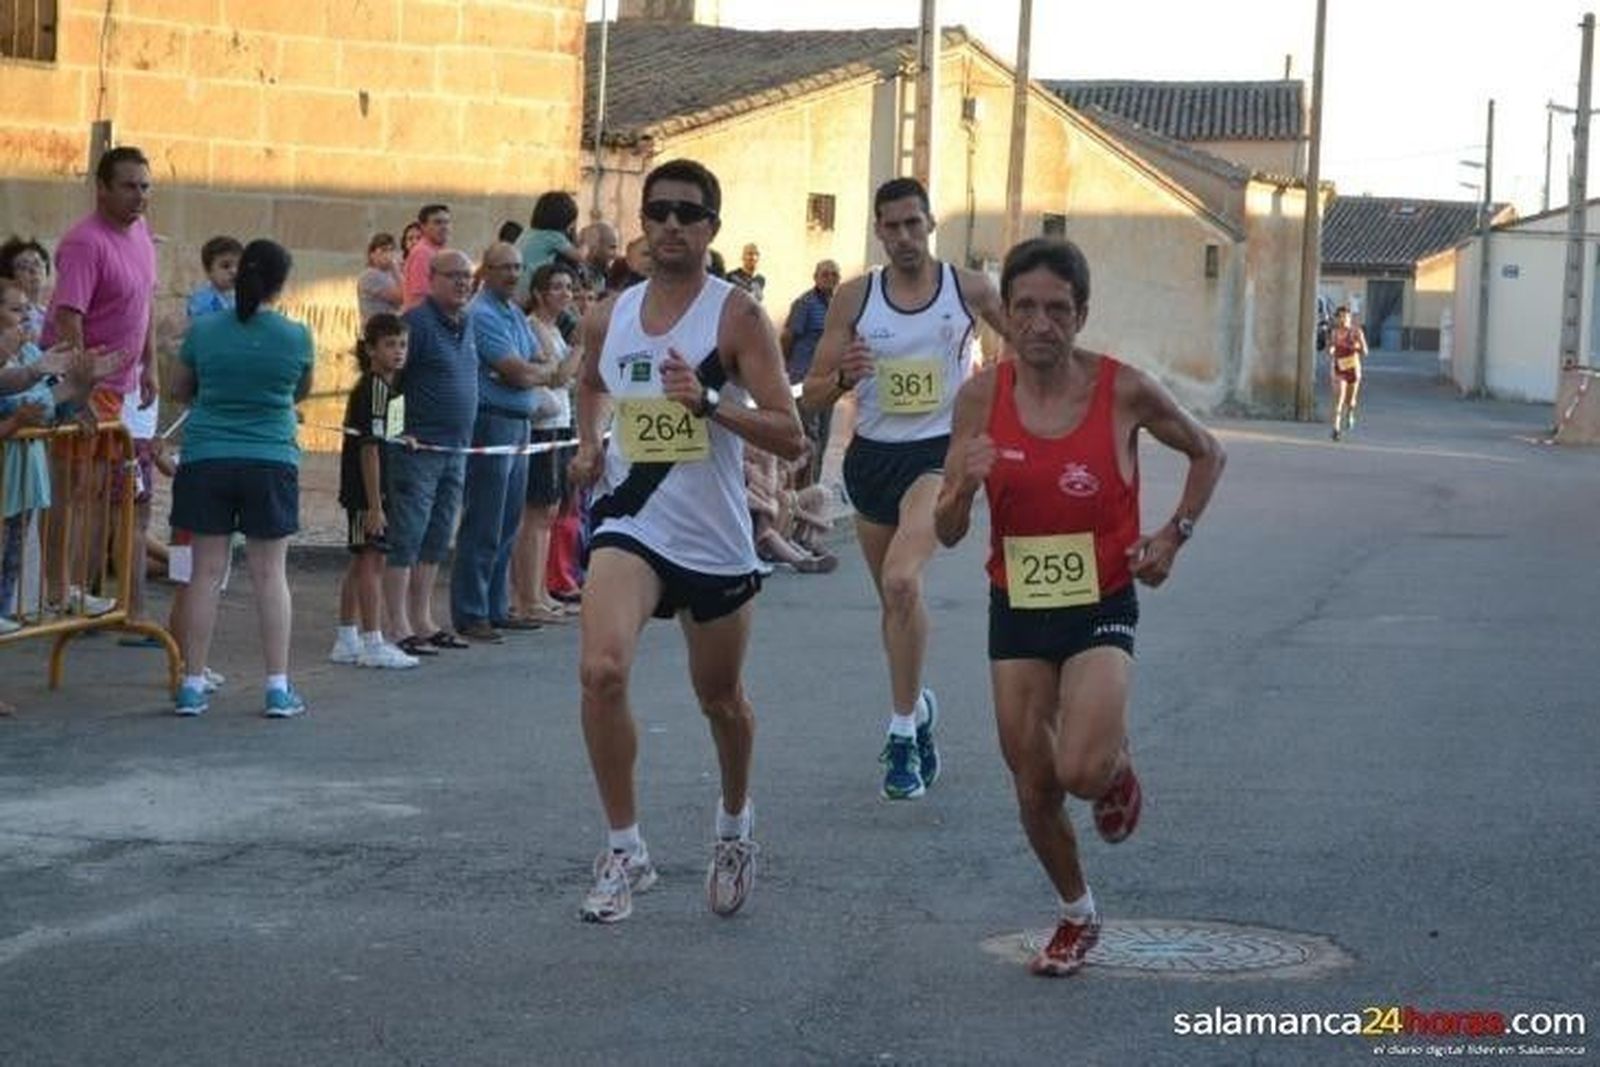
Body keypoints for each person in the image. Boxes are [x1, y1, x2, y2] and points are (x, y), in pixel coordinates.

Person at [934, 237, 1225, 976]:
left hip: (1102, 599)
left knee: (1083, 770)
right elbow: (945, 528)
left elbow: (1207, 451)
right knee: (1032, 783)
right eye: (1024, 307)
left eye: (1057, 309)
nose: (1039, 323)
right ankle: (1076, 911)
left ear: (1082, 315)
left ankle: (1114, 767)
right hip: (1018, 603)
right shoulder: (979, 397)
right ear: (1006, 314)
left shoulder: (1122, 389)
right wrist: (962, 486)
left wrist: (1173, 535)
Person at [569, 158, 804, 924]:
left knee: (721, 699)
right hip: (632, 521)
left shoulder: (736, 318)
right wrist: (588, 441)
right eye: (659, 210)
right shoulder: (612, 312)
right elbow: (590, 380)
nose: (671, 223)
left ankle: (735, 823)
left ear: (711, 227)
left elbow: (791, 434)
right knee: (602, 670)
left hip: (712, 536)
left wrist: (709, 403)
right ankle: (623, 846)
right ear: (643, 221)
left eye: (688, 213)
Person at [800, 175, 1006, 801]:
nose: (905, 237)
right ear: (878, 230)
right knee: (896, 605)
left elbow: (1029, 351)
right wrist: (842, 376)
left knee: (900, 580)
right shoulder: (855, 298)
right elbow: (810, 392)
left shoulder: (968, 289)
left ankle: (899, 735)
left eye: (914, 223)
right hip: (871, 461)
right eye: (892, 226)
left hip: (935, 459)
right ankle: (917, 708)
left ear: (930, 223)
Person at [168, 239, 315, 718]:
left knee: (205, 574)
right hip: (270, 456)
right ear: (280, 282)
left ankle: (192, 682)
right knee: (270, 575)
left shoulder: (205, 330)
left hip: (208, 453)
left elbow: (181, 389)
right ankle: (277, 685)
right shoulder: (296, 336)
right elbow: (301, 390)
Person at [42, 145, 160, 624]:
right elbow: (70, 319)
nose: (139, 197)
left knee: (102, 492)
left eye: (145, 186)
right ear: (103, 189)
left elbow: (144, 302)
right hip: (87, 382)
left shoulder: (142, 233)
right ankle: (57, 589)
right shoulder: (85, 242)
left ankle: (80, 586)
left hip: (125, 382)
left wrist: (150, 364)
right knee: (71, 491)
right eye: (129, 186)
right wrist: (81, 392)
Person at [448, 242, 545, 642]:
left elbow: (534, 361)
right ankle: (471, 611)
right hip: (493, 423)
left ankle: (495, 605)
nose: (512, 274)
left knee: (508, 521)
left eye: (518, 267)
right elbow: (518, 371)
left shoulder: (514, 313)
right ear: (484, 271)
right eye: (504, 267)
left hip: (519, 422)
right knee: (484, 520)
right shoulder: (483, 313)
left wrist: (530, 372)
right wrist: (529, 373)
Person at [384, 249, 478, 658]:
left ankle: (423, 619)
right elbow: (392, 380)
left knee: (438, 536)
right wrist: (395, 431)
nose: (462, 283)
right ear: (433, 277)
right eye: (453, 275)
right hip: (418, 450)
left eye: (467, 276)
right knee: (408, 534)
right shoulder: (416, 324)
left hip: (456, 448)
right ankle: (397, 623)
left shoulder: (466, 321)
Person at [330, 313, 418, 670]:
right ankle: (372, 639)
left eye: (402, 345)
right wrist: (373, 504)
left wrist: (402, 439)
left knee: (361, 560)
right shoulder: (373, 388)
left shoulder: (390, 387)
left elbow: (384, 436)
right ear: (370, 349)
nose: (398, 352)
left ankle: (347, 636)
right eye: (390, 345)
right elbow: (368, 447)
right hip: (367, 490)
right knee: (371, 560)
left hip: (380, 486)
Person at [511, 261, 581, 625]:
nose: (565, 294)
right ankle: (528, 596)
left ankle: (540, 591)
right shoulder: (534, 327)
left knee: (551, 511)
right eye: (556, 287)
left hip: (560, 422)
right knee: (536, 513)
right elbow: (558, 376)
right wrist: (582, 346)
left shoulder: (555, 330)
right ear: (539, 293)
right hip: (541, 427)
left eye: (568, 287)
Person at [781, 259, 840, 487]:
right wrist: (785, 369)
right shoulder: (804, 303)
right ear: (815, 277)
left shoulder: (837, 305)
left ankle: (813, 485)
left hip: (831, 382)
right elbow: (787, 337)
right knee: (809, 436)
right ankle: (801, 487)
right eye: (825, 274)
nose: (830, 278)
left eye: (834, 274)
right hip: (804, 380)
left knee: (824, 436)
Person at [514, 191, 584, 307]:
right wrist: (586, 244)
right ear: (565, 221)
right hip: (529, 294)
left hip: (515, 292)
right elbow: (579, 256)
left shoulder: (528, 232)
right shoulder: (553, 236)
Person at [1328, 305, 1368, 440]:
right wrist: (1332, 349)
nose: (1343, 319)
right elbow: (1332, 345)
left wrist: (1357, 347)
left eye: (1345, 316)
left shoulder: (1357, 332)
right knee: (1339, 398)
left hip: (1353, 369)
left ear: (1350, 318)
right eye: (1340, 317)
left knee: (1350, 401)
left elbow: (1365, 351)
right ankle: (1336, 428)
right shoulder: (1334, 332)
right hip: (1339, 369)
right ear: (1337, 318)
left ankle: (1350, 413)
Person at [0, 237, 52, 341]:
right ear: (10, 276)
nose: (33, 270)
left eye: (38, 263)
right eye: (23, 266)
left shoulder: (49, 311)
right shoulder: (10, 315)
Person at [401, 204, 451, 312]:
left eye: (447, 222)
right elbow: (421, 298)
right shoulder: (422, 253)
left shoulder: (438, 251)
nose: (444, 227)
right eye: (438, 222)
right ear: (423, 227)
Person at [185, 236, 241, 320]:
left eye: (239, 266)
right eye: (226, 266)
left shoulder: (242, 295)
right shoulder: (201, 300)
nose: (234, 271)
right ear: (208, 271)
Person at [357, 232, 404, 324]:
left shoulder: (389, 275)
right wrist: (395, 269)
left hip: (391, 328)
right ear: (372, 254)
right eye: (384, 250)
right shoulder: (371, 275)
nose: (388, 254)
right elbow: (402, 298)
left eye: (391, 250)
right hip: (378, 332)